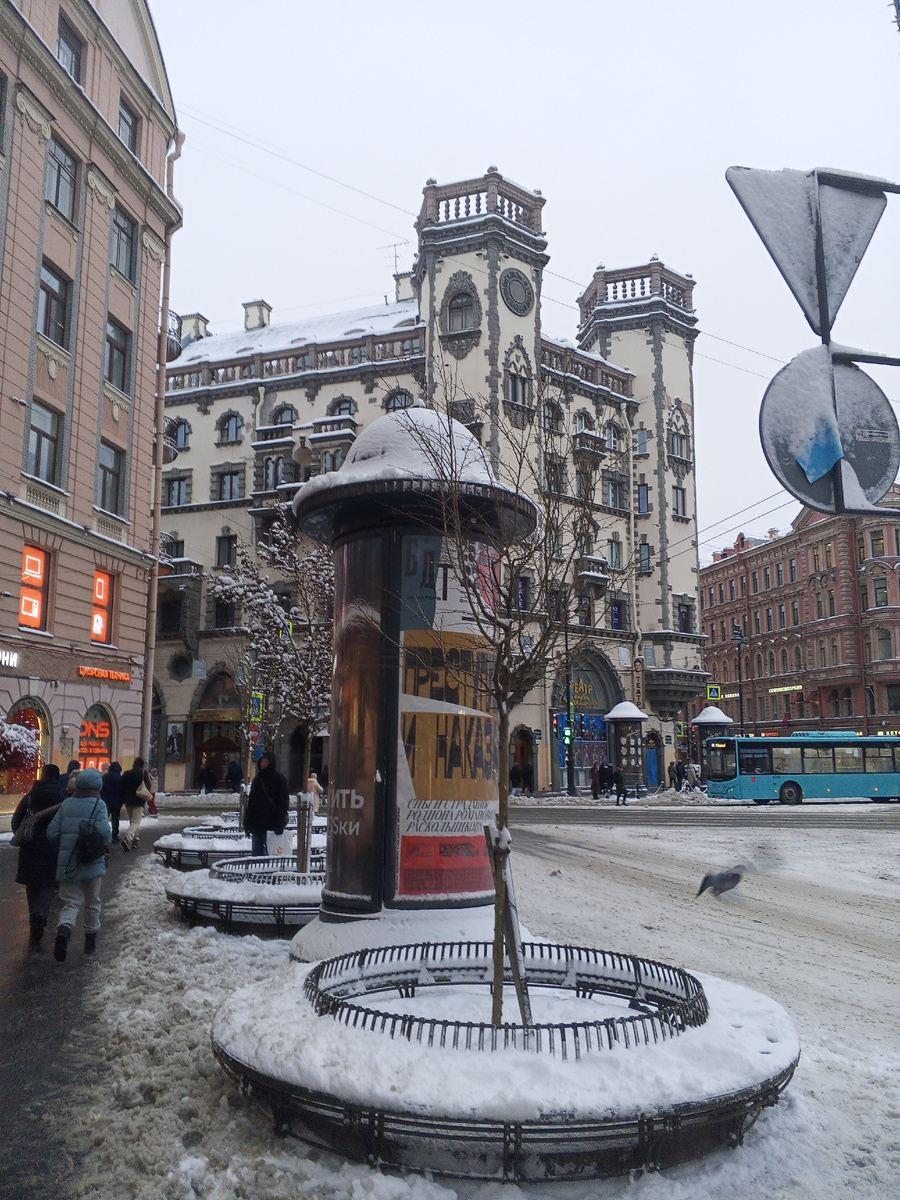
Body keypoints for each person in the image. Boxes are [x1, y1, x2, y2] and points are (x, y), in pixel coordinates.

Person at [45, 768, 111, 961]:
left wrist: (68, 842)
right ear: (98, 785)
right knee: (92, 902)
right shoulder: (99, 804)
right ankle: (90, 943)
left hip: (68, 864)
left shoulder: (66, 804)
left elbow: (52, 834)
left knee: (71, 902)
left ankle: (64, 930)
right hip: (92, 862)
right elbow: (105, 834)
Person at [11, 764, 64, 948]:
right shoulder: (63, 798)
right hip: (53, 846)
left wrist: (25, 833)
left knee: (31, 884)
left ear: (42, 775)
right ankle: (41, 913)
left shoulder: (31, 796)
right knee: (48, 884)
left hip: (30, 845)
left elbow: (15, 821)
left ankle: (34, 918)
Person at [243, 753, 289, 857]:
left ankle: (268, 872)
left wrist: (279, 823)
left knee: (270, 853)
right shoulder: (257, 780)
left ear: (271, 763)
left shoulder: (279, 779)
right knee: (256, 853)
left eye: (266, 762)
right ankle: (257, 872)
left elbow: (283, 803)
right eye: (262, 762)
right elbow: (251, 802)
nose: (263, 764)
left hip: (271, 823)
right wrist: (247, 822)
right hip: (256, 823)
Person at [120, 757, 151, 852]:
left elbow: (121, 787)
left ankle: (135, 841)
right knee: (135, 822)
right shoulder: (143, 773)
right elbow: (148, 785)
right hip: (139, 800)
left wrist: (124, 798)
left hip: (128, 801)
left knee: (132, 821)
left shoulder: (126, 773)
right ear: (142, 765)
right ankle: (127, 838)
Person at [100, 761, 124, 842]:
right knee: (115, 820)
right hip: (117, 802)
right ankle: (115, 836)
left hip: (105, 802)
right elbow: (122, 790)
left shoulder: (104, 777)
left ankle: (103, 834)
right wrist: (122, 801)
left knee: (104, 818)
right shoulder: (120, 778)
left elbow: (101, 789)